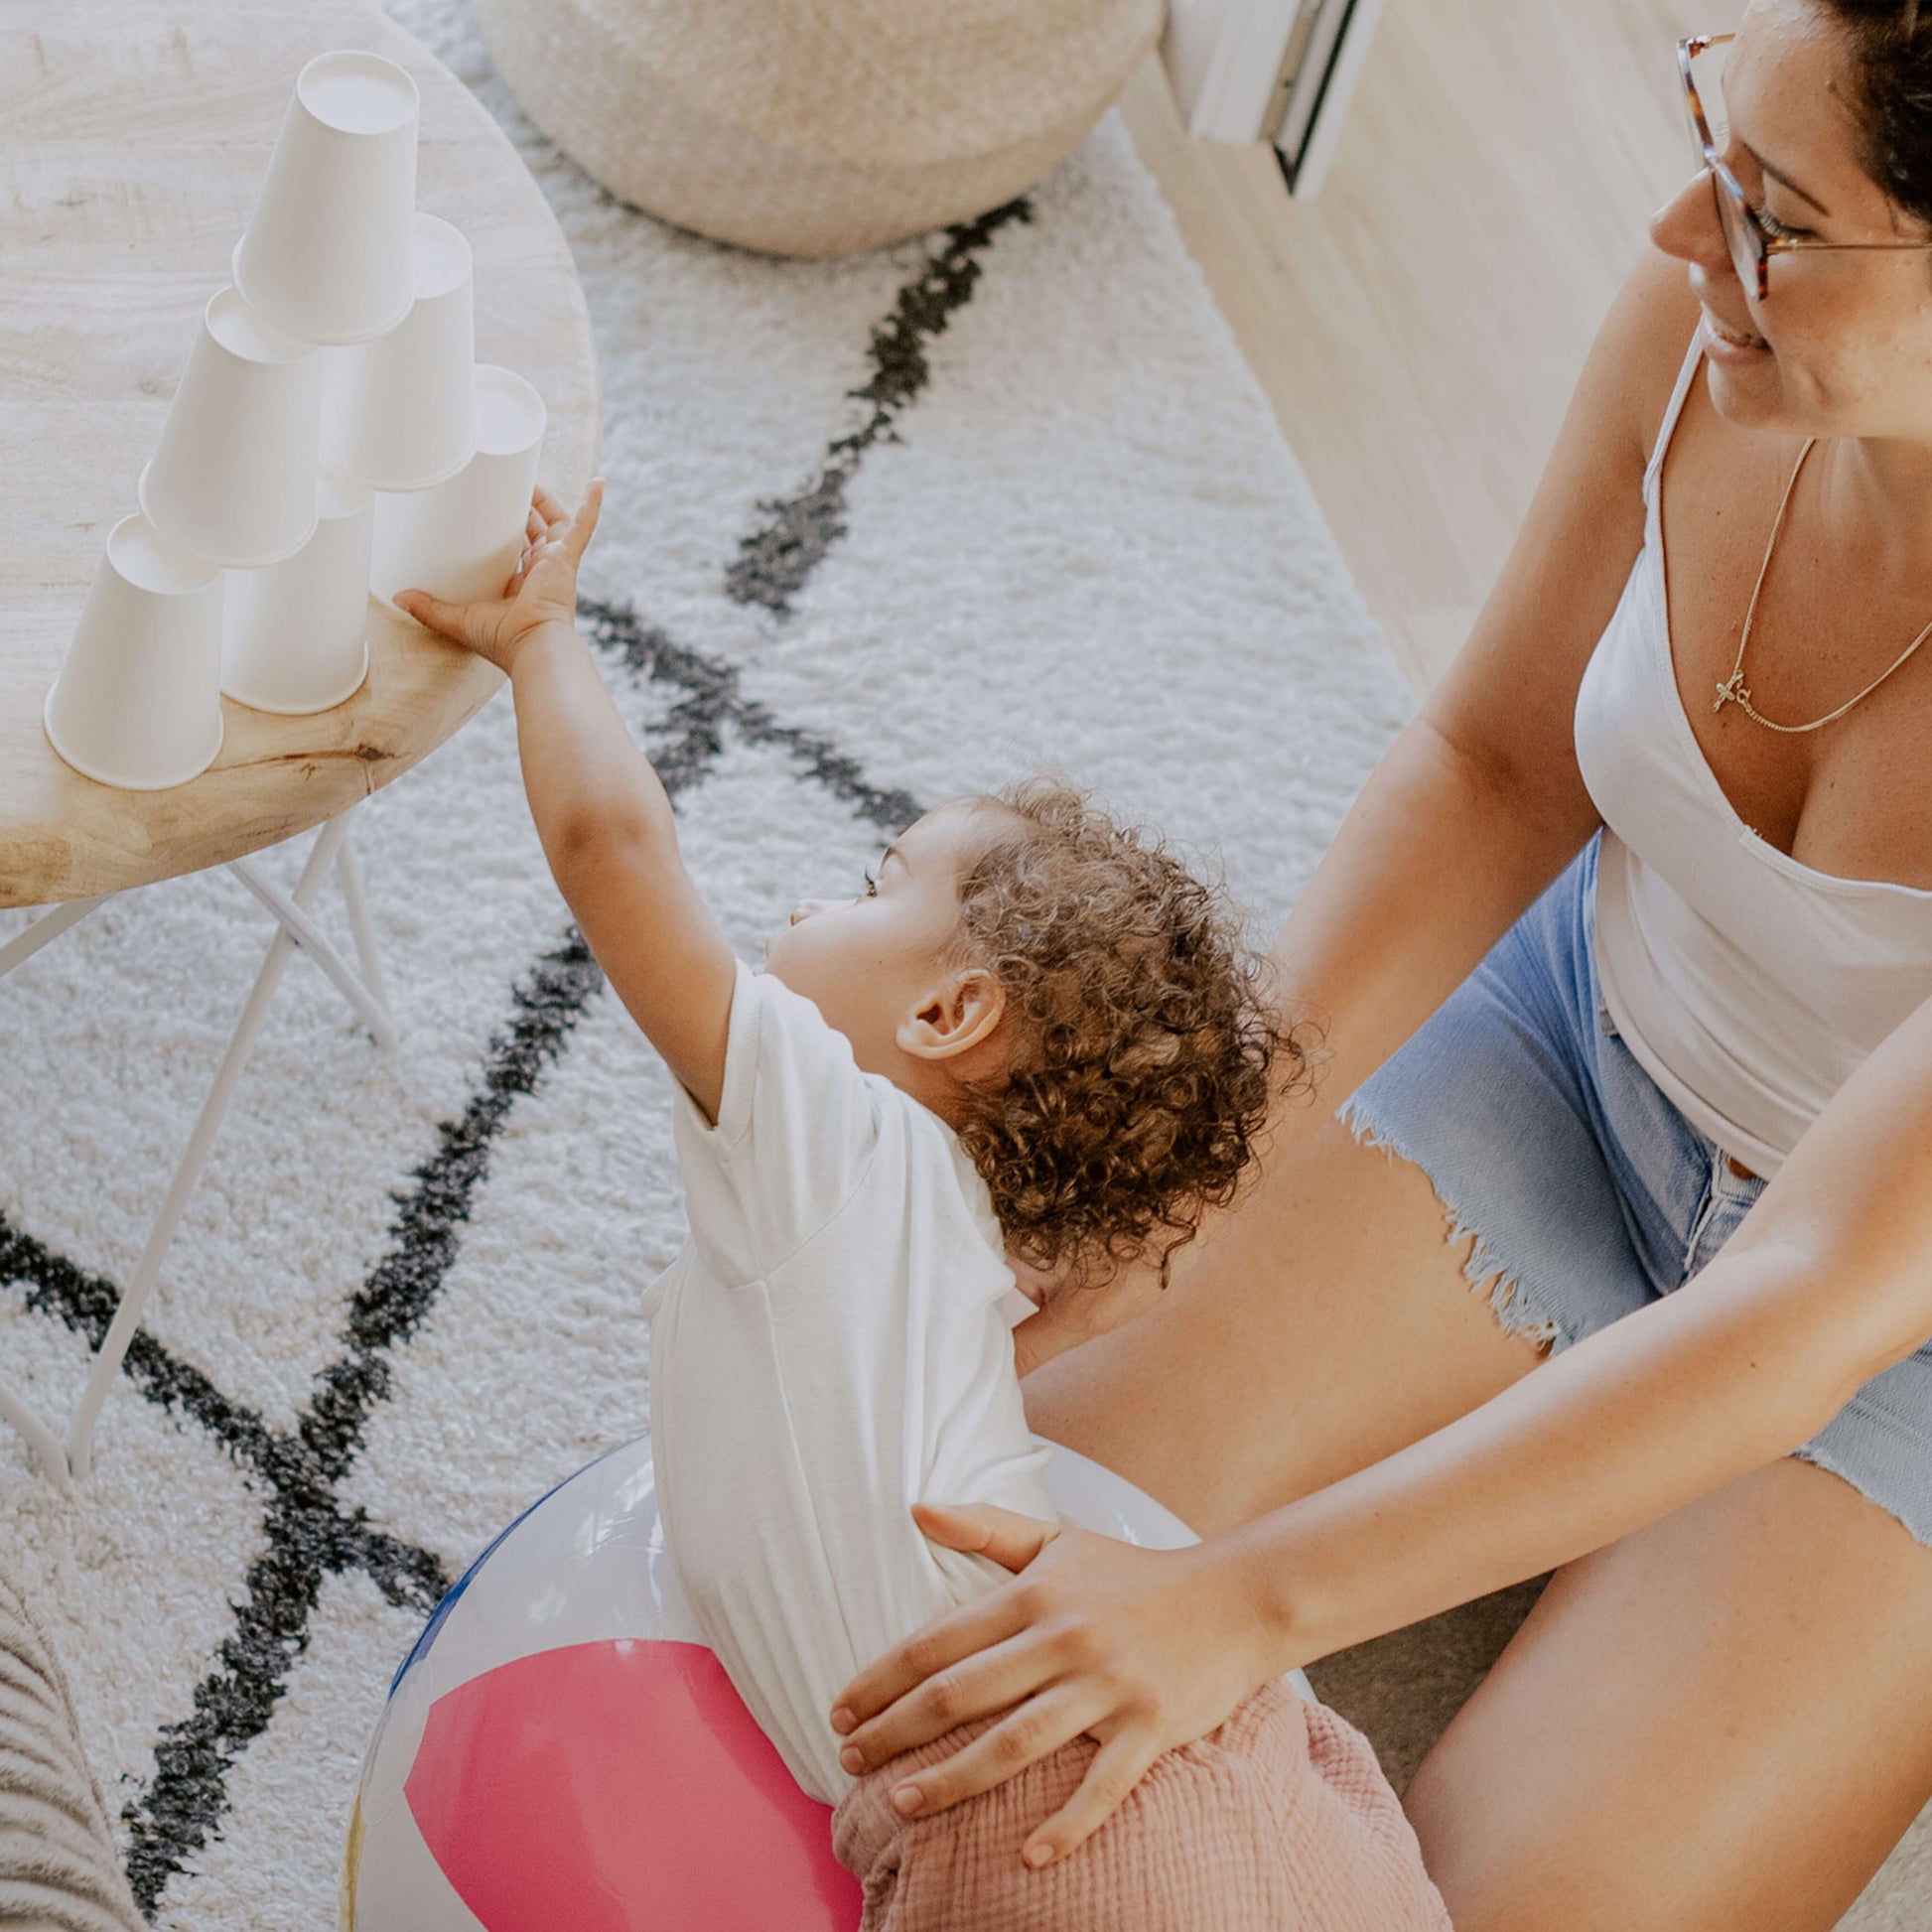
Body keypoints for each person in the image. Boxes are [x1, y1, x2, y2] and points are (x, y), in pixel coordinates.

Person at [821, 6, 1932, 1928]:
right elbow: (1489, 768)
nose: (1684, 233)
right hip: (1584, 1063)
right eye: (1706, 130)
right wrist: (1198, 1166)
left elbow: (1818, 1300)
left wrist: (1240, 1601)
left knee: (1512, 1899)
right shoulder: (1696, 324)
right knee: (966, 1557)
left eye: (1777, 215)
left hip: (1887, 1342)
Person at [394, 490, 1452, 1927]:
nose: (810, 907)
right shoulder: (977, 1252)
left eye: (868, 884)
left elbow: (613, 850)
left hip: (1040, 1813)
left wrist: (541, 641)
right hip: (1232, 1763)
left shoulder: (820, 1128)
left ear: (951, 1011)